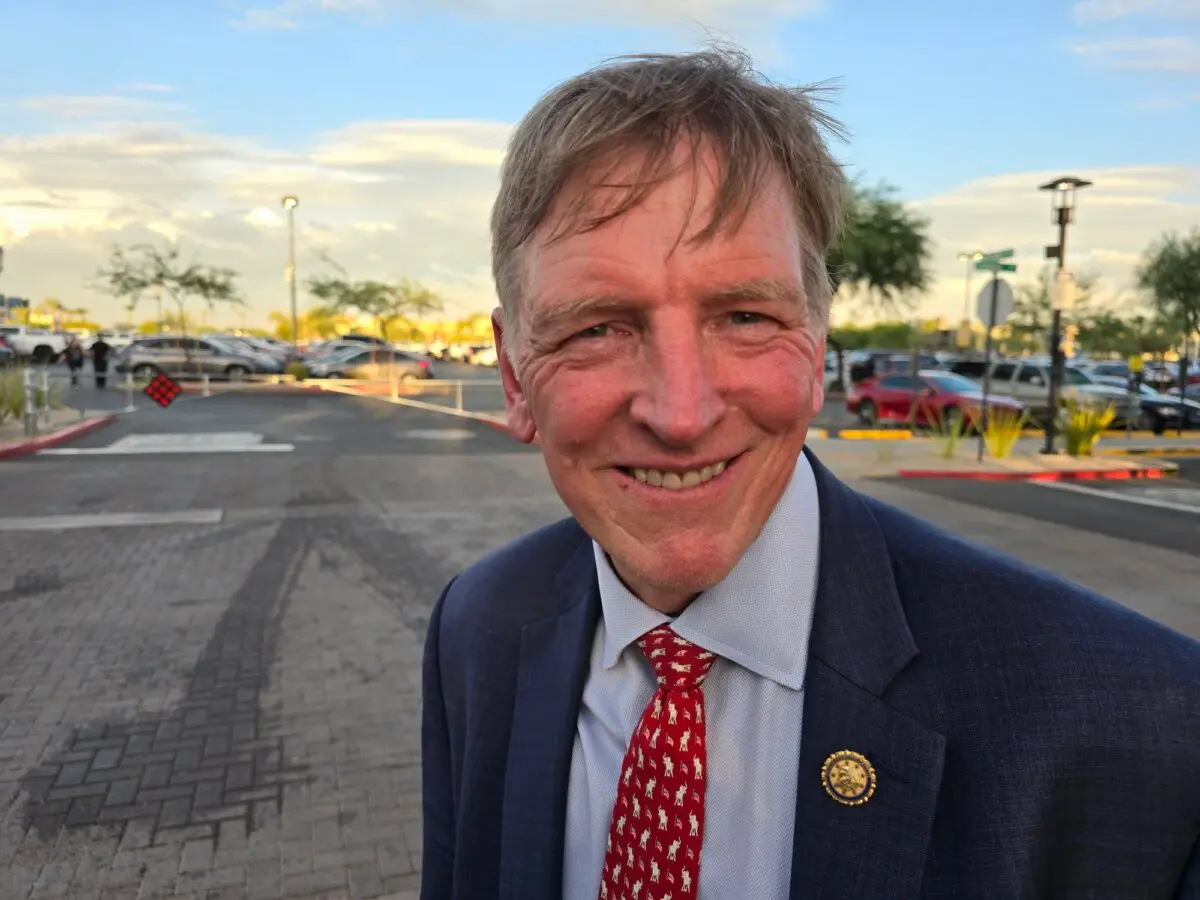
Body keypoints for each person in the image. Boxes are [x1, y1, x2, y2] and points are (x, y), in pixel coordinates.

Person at [420, 48, 1200, 899]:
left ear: (818, 342)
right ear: (511, 372)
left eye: (746, 315)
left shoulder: (1140, 730)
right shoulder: (479, 628)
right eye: (597, 328)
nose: (680, 414)